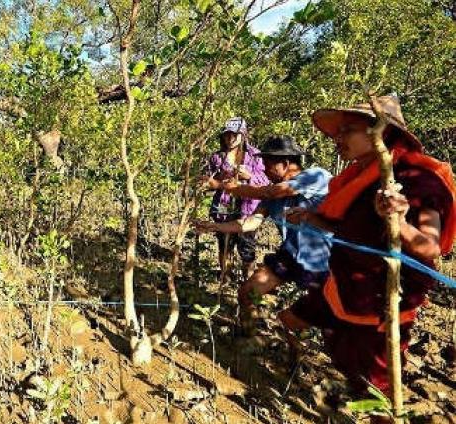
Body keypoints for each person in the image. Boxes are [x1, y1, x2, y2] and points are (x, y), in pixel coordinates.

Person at [279, 96, 455, 397]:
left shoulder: (416, 179)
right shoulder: (357, 178)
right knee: (290, 319)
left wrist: (399, 220)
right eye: (338, 132)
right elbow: (351, 231)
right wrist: (311, 218)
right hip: (342, 287)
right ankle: (300, 371)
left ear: (381, 133)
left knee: (378, 391)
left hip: (380, 304)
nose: (338, 138)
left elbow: (429, 248)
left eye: (348, 130)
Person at [195, 136, 332, 336]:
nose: (265, 170)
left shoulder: (314, 176)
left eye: (267, 165)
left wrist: (226, 187)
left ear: (285, 164)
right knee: (247, 293)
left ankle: (298, 357)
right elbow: (250, 222)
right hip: (290, 255)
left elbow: (274, 192)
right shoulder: (271, 194)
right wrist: (212, 226)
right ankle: (251, 340)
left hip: (324, 262)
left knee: (307, 320)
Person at [202, 117, 270, 279]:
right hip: (224, 206)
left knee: (247, 245)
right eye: (227, 135)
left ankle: (248, 280)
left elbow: (266, 181)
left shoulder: (255, 156)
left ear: (243, 135)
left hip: (248, 207)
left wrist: (249, 176)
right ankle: (225, 277)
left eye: (235, 135)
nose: (230, 139)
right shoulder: (217, 157)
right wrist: (211, 184)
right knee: (224, 243)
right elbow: (210, 181)